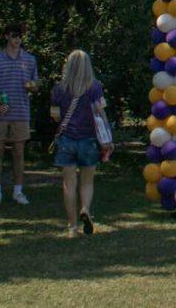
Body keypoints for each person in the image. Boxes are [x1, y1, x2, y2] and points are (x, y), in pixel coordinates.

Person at [50, 49, 108, 237]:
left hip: (67, 138)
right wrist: (107, 137)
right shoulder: (95, 87)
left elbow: (55, 115)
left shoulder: (60, 88)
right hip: (89, 138)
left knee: (68, 184)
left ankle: (72, 226)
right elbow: (101, 112)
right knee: (87, 181)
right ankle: (85, 208)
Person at [0, 23, 39, 206]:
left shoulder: (30, 60)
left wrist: (33, 86)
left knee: (19, 153)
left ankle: (18, 191)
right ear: (6, 36)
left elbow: (35, 84)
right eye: (14, 35)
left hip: (21, 111)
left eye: (20, 36)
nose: (17, 39)